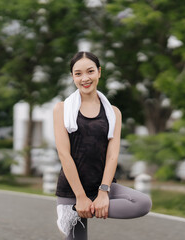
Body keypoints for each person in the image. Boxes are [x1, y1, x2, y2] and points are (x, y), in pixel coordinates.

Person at [53, 51, 152, 240]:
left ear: (99, 72)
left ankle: (76, 211)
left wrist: (103, 192)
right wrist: (81, 198)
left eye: (90, 71)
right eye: (78, 73)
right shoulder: (62, 109)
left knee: (142, 203)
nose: (85, 78)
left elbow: (112, 156)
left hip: (102, 186)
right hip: (73, 190)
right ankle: (72, 210)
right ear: (72, 76)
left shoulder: (113, 112)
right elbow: (64, 155)